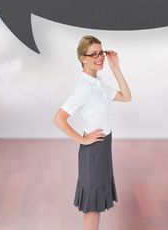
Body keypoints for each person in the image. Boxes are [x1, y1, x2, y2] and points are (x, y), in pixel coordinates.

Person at [53, 35, 132, 230]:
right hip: (94, 151)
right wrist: (82, 139)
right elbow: (58, 119)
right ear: (82, 58)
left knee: (95, 205)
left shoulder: (98, 85)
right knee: (91, 207)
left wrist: (115, 69)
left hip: (104, 147)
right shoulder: (84, 88)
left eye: (101, 53)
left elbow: (126, 97)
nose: (99, 58)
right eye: (93, 54)